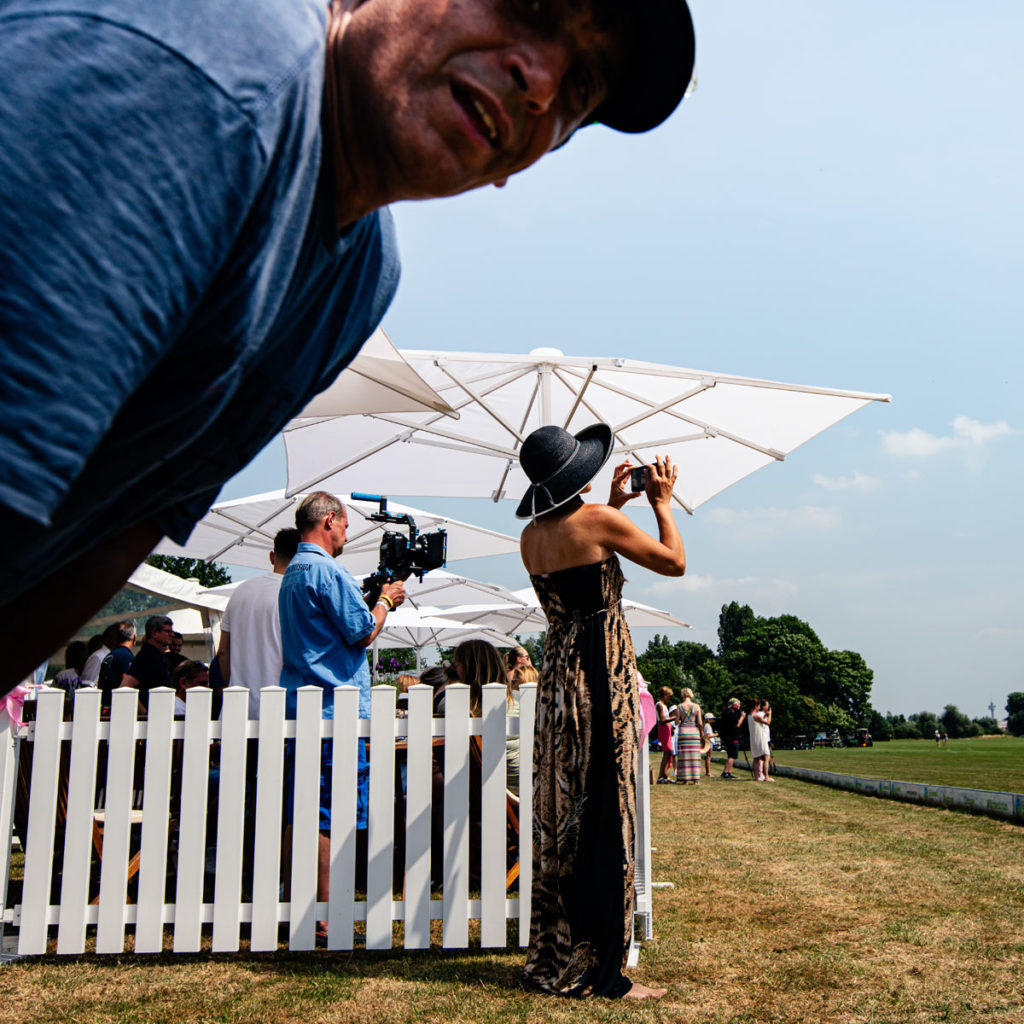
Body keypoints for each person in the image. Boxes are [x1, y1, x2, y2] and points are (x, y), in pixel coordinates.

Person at [0, 0, 698, 698]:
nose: (541, 83)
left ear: (518, 165)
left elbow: (118, 529)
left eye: (576, 94)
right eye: (528, 8)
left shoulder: (358, 278)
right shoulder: (226, 65)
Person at [517, 423, 686, 999]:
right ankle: (604, 969)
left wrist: (613, 506)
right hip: (600, 665)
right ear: (576, 474)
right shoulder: (598, 522)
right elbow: (673, 562)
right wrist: (661, 505)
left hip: (560, 668)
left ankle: (564, 949)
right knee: (608, 808)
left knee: (569, 811)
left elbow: (577, 554)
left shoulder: (531, 537)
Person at [278, 491, 405, 938]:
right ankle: (327, 914)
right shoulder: (326, 570)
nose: (347, 534)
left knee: (302, 809)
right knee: (331, 812)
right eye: (347, 526)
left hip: (302, 705)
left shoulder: (294, 570)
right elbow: (362, 631)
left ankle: (300, 905)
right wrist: (386, 600)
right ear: (330, 520)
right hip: (336, 708)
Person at [217, 527, 301, 720]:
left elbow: (222, 651)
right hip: (278, 711)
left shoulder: (240, 592)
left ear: (272, 556)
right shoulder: (295, 595)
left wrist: (234, 683)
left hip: (236, 710)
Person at [119, 616, 174, 711]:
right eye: (168, 631)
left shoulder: (158, 656)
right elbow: (125, 687)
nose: (172, 635)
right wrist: (144, 714)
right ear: (154, 633)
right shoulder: (146, 657)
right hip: (151, 718)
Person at [97, 622, 137, 707]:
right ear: (134, 637)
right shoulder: (126, 656)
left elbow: (100, 682)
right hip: (118, 705)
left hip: (105, 704)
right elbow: (126, 682)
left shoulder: (109, 655)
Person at [674, 687, 704, 785]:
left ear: (683, 695)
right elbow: (699, 722)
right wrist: (701, 733)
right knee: (694, 755)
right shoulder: (696, 706)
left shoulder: (679, 706)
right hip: (694, 731)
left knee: (684, 755)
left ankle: (685, 779)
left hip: (683, 731)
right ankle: (696, 779)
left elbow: (677, 722)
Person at [718, 698, 746, 780]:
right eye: (738, 704)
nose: (739, 705)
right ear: (733, 705)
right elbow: (737, 725)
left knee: (731, 754)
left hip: (728, 736)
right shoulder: (730, 713)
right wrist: (742, 717)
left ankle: (727, 771)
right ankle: (726, 772)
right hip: (732, 736)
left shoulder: (727, 712)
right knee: (732, 754)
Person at [749, 699, 773, 782]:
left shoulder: (750, 716)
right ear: (756, 706)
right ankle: (766, 776)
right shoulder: (756, 716)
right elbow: (768, 723)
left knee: (756, 757)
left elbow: (759, 721)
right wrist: (770, 714)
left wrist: (765, 715)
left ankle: (756, 777)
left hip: (754, 738)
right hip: (760, 737)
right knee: (766, 756)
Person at [655, 688, 675, 784]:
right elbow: (662, 720)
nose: (669, 698)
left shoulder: (664, 705)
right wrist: (675, 717)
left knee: (669, 753)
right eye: (668, 696)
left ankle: (665, 775)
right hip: (663, 729)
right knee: (667, 752)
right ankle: (660, 776)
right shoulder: (659, 705)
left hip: (667, 729)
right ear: (664, 695)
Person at [702, 713, 715, 778]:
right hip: (709, 742)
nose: (712, 720)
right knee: (708, 757)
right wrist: (716, 734)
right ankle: (708, 772)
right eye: (711, 718)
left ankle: (708, 772)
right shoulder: (707, 726)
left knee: (708, 757)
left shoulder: (707, 725)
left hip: (709, 742)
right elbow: (708, 735)